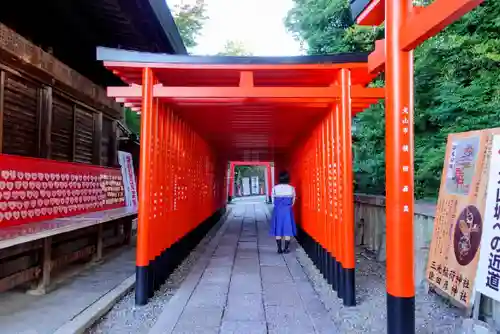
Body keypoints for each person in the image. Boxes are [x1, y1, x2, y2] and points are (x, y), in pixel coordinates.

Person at [270, 170, 297, 254]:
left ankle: (279, 249)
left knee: (278, 228)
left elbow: (273, 201)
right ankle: (286, 249)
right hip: (287, 211)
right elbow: (293, 201)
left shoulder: (275, 188)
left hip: (278, 211)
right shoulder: (291, 188)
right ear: (288, 178)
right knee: (287, 229)